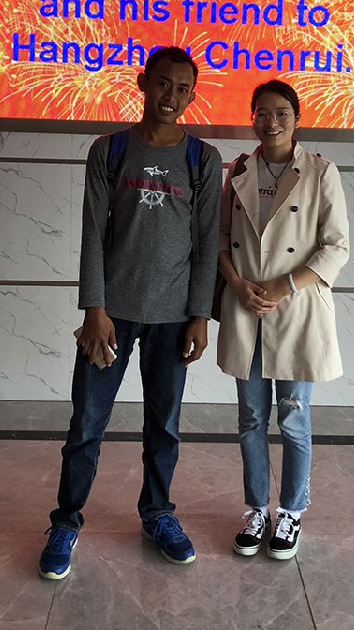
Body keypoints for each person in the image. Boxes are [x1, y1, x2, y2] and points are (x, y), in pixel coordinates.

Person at [39, 46, 222, 578]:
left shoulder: (203, 159)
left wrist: (199, 316)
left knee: (164, 426)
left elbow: (207, 242)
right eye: (163, 84)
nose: (171, 96)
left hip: (173, 318)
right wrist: (94, 309)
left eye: (183, 89)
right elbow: (93, 232)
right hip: (110, 317)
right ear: (143, 83)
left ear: (192, 96)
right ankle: (66, 521)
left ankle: (158, 514)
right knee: (86, 424)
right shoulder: (110, 150)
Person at [216, 79, 349, 560]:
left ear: (296, 119)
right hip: (246, 307)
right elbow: (220, 239)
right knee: (251, 419)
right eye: (262, 113)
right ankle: (256, 509)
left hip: (295, 310)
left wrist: (285, 285)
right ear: (251, 117)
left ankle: (290, 511)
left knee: (293, 417)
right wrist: (237, 285)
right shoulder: (238, 171)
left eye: (281, 113)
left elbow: (336, 247)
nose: (271, 122)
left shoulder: (320, 171)